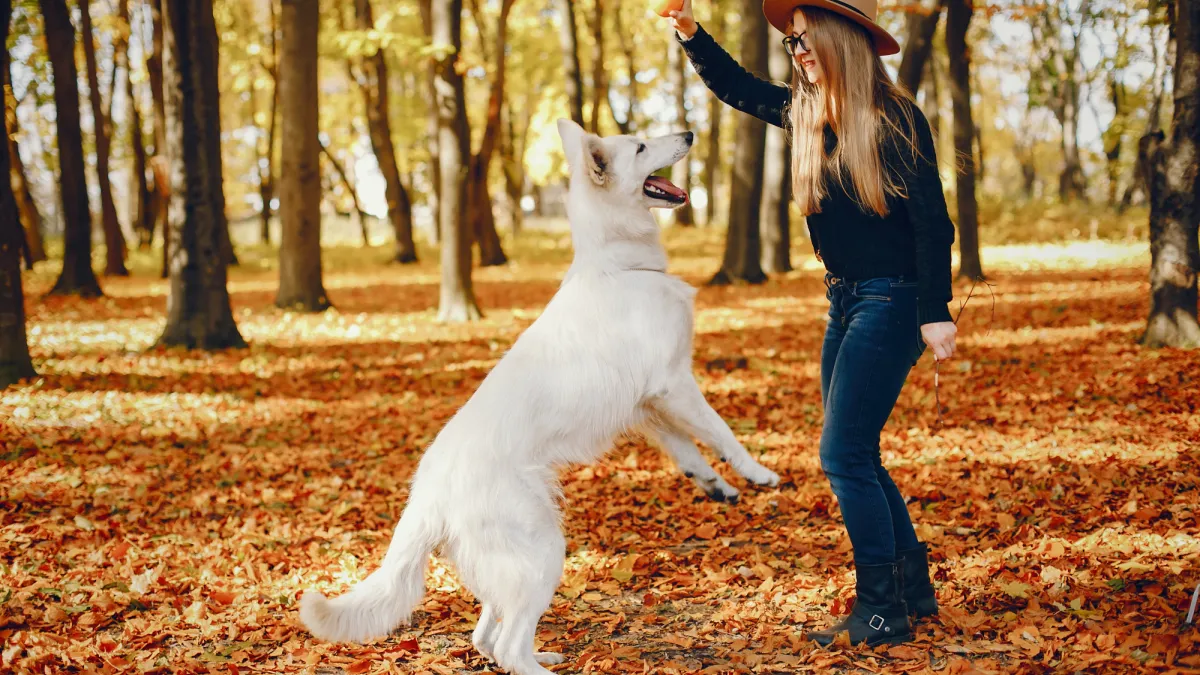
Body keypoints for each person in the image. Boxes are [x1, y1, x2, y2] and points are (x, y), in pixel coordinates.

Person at [663, 0, 958, 647]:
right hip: (845, 301)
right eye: (791, 44)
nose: (796, 54)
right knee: (857, 449)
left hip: (894, 301)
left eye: (805, 42)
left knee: (842, 454)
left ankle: (882, 611)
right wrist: (690, 32)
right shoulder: (805, 113)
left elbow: (933, 224)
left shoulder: (894, 119)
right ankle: (913, 585)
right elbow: (737, 87)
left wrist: (935, 311)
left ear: (841, 42)